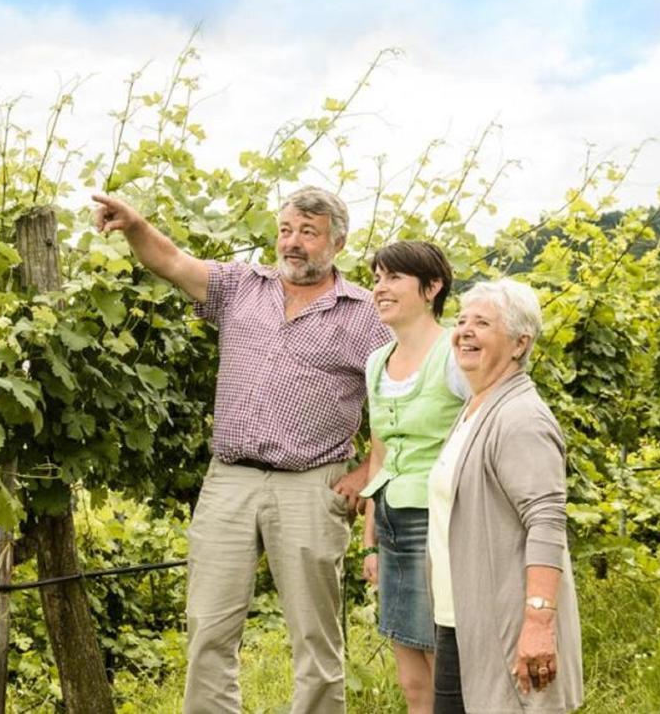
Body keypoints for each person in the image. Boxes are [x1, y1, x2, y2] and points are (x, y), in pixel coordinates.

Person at [93, 186, 390, 714]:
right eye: (286, 230)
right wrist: (135, 224)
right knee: (208, 626)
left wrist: (368, 471)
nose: (292, 243)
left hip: (311, 482)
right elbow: (172, 261)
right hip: (229, 478)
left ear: (337, 243)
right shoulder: (240, 286)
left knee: (314, 639)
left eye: (308, 233)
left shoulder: (365, 315)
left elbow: (396, 400)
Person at [428, 279, 583, 713]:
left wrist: (538, 621)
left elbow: (547, 520)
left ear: (519, 343)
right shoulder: (477, 406)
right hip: (461, 620)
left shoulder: (520, 417)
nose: (465, 331)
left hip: (506, 626)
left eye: (482, 322)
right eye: (461, 321)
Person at [358, 241, 469, 714]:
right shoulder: (376, 361)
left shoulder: (456, 354)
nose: (380, 288)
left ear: (432, 287)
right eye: (377, 278)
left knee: (444, 663)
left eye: (394, 278)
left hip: (439, 522)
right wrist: (369, 541)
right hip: (391, 522)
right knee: (409, 675)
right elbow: (378, 453)